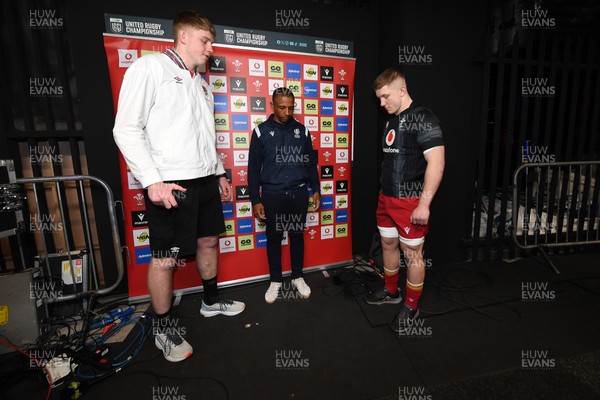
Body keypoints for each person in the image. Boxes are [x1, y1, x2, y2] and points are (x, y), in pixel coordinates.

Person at [113, 10, 245, 362]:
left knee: (207, 241)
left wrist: (218, 173)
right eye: (205, 40)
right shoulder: (150, 68)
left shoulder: (201, 82)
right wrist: (152, 181)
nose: (210, 48)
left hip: (204, 180)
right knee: (165, 259)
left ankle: (211, 302)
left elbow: (205, 137)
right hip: (170, 183)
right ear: (183, 36)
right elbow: (126, 128)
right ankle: (163, 329)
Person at [367, 67, 444, 332]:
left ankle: (411, 305)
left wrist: (425, 203)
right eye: (378, 98)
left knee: (413, 255)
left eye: (385, 96)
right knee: (388, 244)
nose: (382, 103)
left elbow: (436, 162)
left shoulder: (422, 117)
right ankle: (391, 292)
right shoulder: (391, 120)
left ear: (402, 90)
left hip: (410, 200)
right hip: (386, 197)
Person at [248, 87, 321, 303]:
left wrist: (315, 189)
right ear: (272, 106)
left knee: (297, 236)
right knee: (274, 237)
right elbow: (253, 169)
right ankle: (275, 280)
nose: (287, 112)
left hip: (298, 193)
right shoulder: (261, 132)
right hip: (272, 194)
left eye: (291, 107)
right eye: (282, 107)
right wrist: (255, 200)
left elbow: (310, 163)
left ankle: (297, 276)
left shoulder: (302, 131)